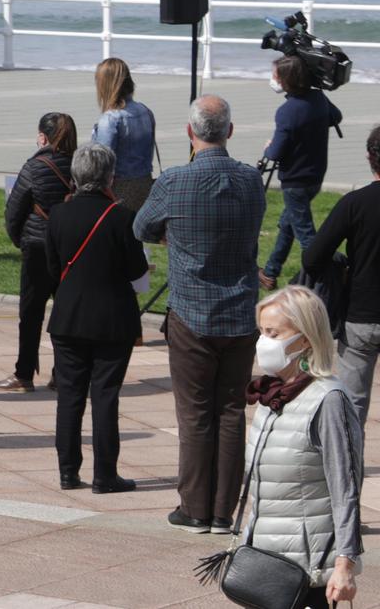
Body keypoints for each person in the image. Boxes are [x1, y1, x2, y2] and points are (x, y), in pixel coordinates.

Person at [134, 95, 267, 534]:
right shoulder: (251, 182)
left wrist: (173, 235)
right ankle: (223, 510)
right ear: (229, 131)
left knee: (194, 413)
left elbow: (141, 228)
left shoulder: (175, 182)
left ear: (190, 134)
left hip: (192, 311)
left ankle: (194, 507)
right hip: (240, 312)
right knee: (230, 410)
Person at [233, 286, 363, 606]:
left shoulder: (328, 400)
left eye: (274, 333)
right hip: (266, 563)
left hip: (307, 569)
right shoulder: (273, 396)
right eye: (262, 331)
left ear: (304, 339)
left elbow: (345, 487)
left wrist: (344, 565)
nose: (264, 341)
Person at [41, 142, 145, 492]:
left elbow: (53, 269)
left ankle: (67, 471)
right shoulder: (123, 218)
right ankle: (105, 474)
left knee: (69, 396)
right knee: (105, 395)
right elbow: (137, 271)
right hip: (113, 319)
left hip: (69, 316)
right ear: (108, 177)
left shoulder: (57, 215)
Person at [303, 126, 380, 425]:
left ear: (368, 157)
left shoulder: (355, 203)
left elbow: (312, 258)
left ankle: (348, 470)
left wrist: (341, 266)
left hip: (360, 315)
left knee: (352, 406)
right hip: (360, 316)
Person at [0, 111, 78, 393]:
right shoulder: (80, 166)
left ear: (43, 137)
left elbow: (14, 210)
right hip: (71, 249)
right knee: (66, 314)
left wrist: (20, 239)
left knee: (31, 314)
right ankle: (63, 373)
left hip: (37, 246)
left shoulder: (34, 166)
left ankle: (24, 374)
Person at [262, 54, 344, 291]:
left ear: (287, 80)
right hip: (315, 176)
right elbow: (335, 117)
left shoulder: (287, 111)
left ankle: (330, 279)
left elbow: (275, 153)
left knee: (307, 238)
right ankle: (270, 272)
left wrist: (268, 147)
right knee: (288, 226)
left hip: (295, 181)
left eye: (276, 75)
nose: (273, 79)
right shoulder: (317, 98)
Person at [91, 57, 157, 214]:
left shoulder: (110, 119)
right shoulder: (146, 111)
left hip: (118, 188)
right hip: (144, 183)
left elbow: (102, 165)